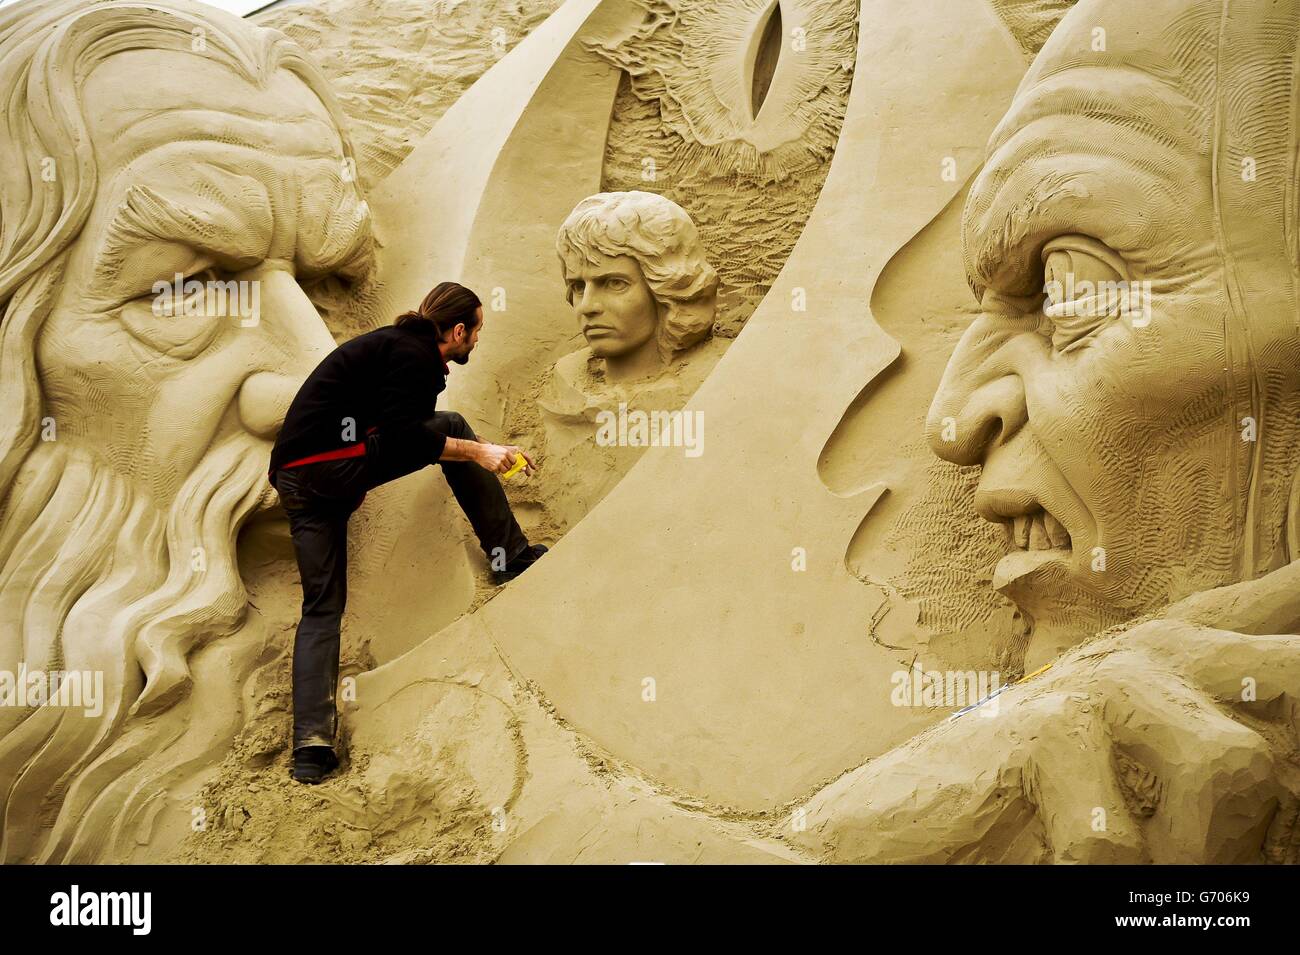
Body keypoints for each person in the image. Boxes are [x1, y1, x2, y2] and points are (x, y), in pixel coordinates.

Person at [269, 282, 546, 783]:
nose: (478, 341)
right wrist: (481, 453)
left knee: (322, 607)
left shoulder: (393, 346)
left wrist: (487, 448)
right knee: (453, 428)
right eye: (477, 330)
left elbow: (400, 428)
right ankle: (511, 557)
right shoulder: (415, 356)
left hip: (297, 478)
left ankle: (311, 748)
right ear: (457, 330)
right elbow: (406, 437)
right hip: (335, 466)